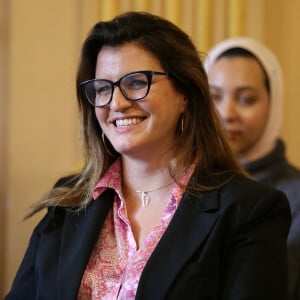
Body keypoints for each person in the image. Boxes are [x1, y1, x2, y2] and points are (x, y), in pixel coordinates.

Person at [6, 13, 291, 300]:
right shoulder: (69, 201)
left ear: (185, 93)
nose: (117, 103)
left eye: (136, 82)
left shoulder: (249, 210)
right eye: (103, 88)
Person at [204, 37, 300, 300]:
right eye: (214, 97)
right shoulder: (184, 188)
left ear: (273, 104)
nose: (227, 113)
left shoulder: (295, 196)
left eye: (246, 99)